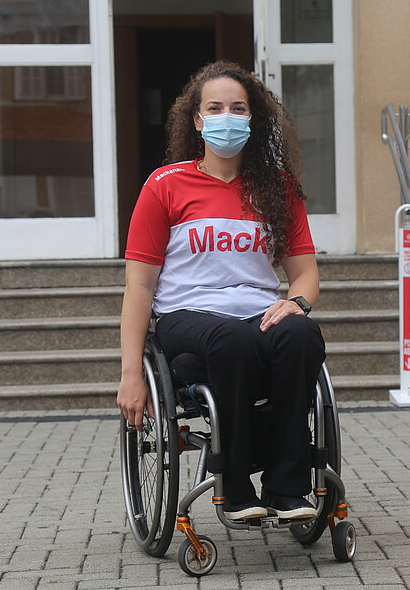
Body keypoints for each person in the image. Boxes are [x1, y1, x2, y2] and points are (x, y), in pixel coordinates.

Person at [116, 61, 325, 522]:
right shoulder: (165, 186)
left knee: (302, 336)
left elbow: (306, 274)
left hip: (257, 313)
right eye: (215, 107)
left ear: (252, 119)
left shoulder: (277, 187)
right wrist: (131, 371)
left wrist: (296, 303)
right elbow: (140, 285)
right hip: (187, 318)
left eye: (238, 108)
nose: (226, 116)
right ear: (197, 119)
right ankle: (234, 487)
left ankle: (288, 489)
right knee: (235, 339)